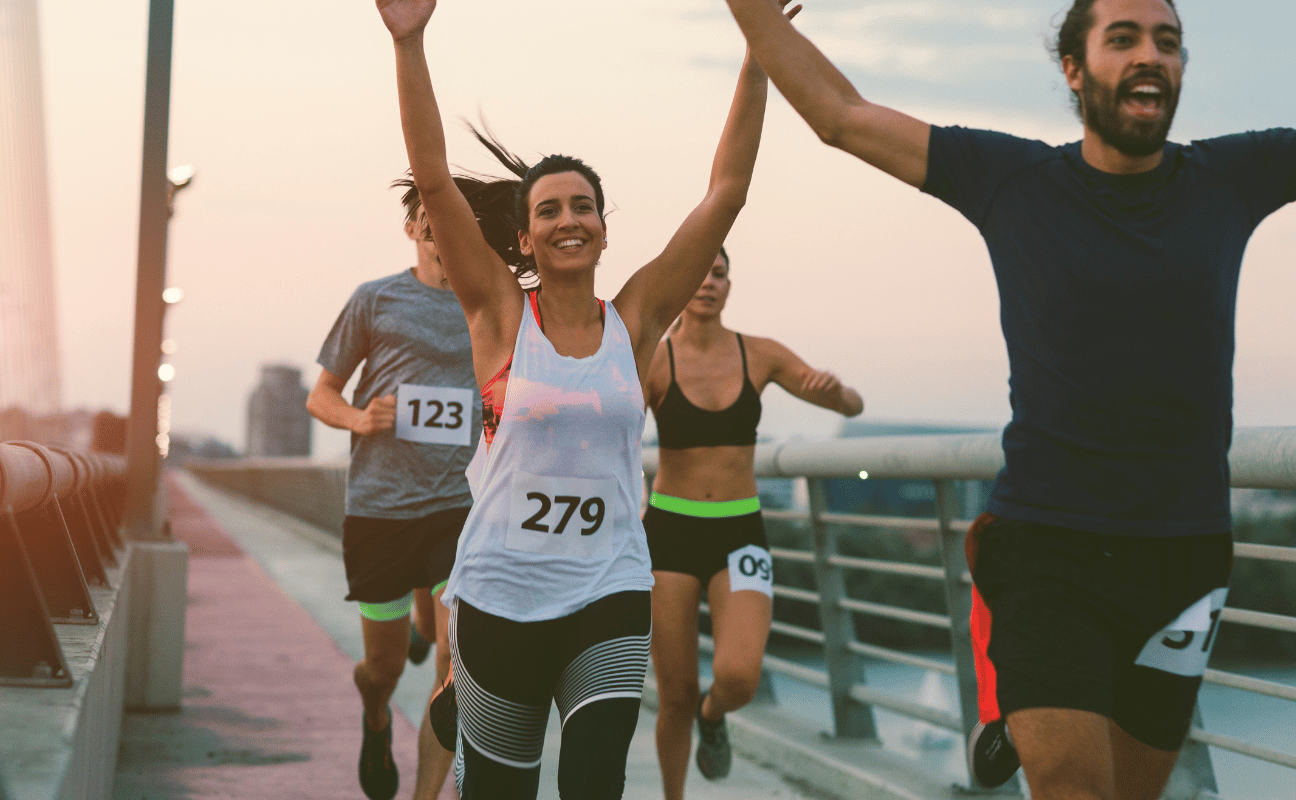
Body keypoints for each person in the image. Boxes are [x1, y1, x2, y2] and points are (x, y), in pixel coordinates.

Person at [721, 0, 1296, 798]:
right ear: (1073, 68)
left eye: (1167, 42)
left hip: (1186, 560)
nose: (1150, 56)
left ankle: (1007, 711)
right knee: (1073, 789)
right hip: (1050, 552)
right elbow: (841, 117)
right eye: (1122, 38)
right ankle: (1014, 701)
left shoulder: (1234, 177)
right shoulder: (1015, 180)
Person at [376, 0, 801, 796]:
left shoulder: (634, 322)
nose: (569, 219)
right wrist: (410, 41)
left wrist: (757, 51)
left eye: (583, 206)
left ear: (604, 228)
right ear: (526, 237)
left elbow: (727, 193)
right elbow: (433, 177)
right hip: (501, 590)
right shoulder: (500, 315)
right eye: (549, 211)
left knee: (597, 782)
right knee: (503, 789)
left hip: (607, 587)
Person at [643, 246, 863, 797]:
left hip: (740, 531)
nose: (709, 282)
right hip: (669, 530)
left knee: (739, 676)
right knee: (674, 695)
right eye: (699, 272)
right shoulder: (655, 360)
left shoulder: (758, 354)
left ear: (729, 284)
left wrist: (836, 394)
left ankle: (714, 717)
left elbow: (852, 408)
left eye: (719, 273)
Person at [306, 185, 477, 800]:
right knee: (381, 669)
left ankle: (426, 793)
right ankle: (375, 715)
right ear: (411, 229)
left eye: (447, 216)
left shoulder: (488, 303)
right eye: (423, 216)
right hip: (379, 510)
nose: (435, 225)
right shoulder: (375, 299)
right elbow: (319, 394)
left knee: (456, 669)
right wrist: (358, 419)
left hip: (458, 509)